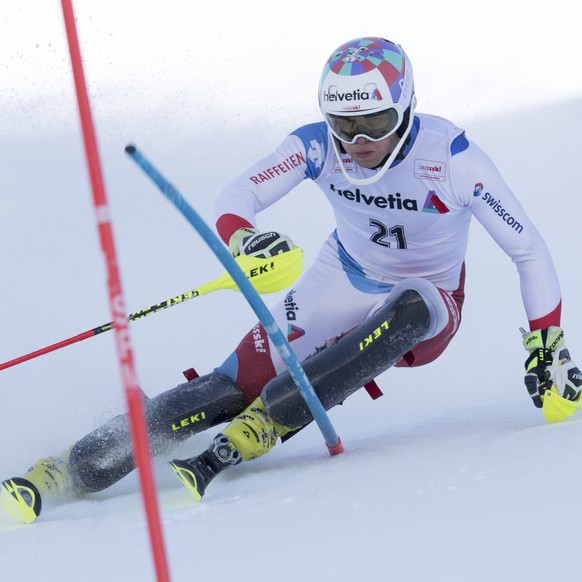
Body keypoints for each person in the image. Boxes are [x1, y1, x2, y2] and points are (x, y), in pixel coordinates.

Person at [2, 37, 581, 522]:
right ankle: (68, 468)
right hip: (341, 277)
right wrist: (243, 237)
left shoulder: (453, 158)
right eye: (344, 125)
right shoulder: (314, 145)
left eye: (374, 122)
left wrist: (546, 344)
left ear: (406, 108)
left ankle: (270, 419)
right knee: (228, 385)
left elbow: (528, 250)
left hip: (428, 299)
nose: (358, 143)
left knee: (408, 308)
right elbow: (238, 195)